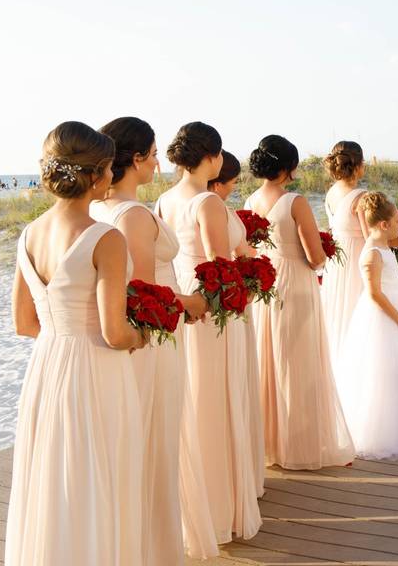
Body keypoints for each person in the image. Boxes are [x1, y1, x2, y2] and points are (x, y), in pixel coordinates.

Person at [6, 121, 147, 565]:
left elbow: (23, 323)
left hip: (47, 365)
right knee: (99, 472)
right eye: (107, 167)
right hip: (95, 367)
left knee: (53, 476)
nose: (111, 174)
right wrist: (143, 334)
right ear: (95, 175)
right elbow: (114, 332)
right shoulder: (106, 238)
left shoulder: (28, 234)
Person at [90, 116, 217, 563]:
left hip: (134, 342)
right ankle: (152, 547)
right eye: (154, 152)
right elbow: (143, 293)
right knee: (157, 439)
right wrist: (192, 303)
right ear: (138, 158)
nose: (159, 161)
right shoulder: (134, 215)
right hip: (153, 341)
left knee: (137, 441)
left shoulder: (98, 210)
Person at [157, 122, 261, 545]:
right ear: (213, 158)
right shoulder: (208, 202)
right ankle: (221, 505)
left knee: (196, 398)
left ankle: (196, 502)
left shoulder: (163, 200)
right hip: (216, 311)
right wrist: (251, 283)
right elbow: (221, 266)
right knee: (218, 398)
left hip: (185, 304)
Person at [245, 135, 355, 470]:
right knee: (299, 363)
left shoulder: (250, 200)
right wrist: (323, 253)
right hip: (295, 285)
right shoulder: (296, 202)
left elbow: (250, 248)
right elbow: (315, 257)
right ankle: (299, 444)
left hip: (265, 282)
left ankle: (268, 443)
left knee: (269, 360)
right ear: (289, 166)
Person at [335, 191, 398, 460]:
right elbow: (374, 293)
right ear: (384, 225)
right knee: (382, 370)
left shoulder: (382, 245)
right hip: (383, 320)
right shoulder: (372, 254)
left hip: (395, 317)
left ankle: (397, 415)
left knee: (396, 367)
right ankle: (378, 429)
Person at [207, 150, 267, 508]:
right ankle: (229, 478)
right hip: (223, 299)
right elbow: (227, 257)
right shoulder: (214, 208)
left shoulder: (168, 202)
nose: (232, 190)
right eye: (231, 184)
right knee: (229, 385)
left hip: (198, 296)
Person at [321, 141, 369, 364]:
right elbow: (371, 238)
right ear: (359, 164)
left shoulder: (331, 193)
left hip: (337, 259)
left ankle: (337, 361)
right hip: (357, 258)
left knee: (339, 310)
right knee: (358, 310)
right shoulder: (361, 196)